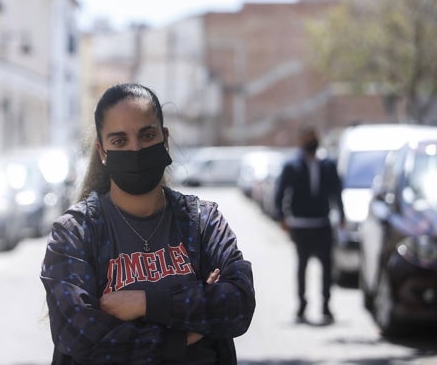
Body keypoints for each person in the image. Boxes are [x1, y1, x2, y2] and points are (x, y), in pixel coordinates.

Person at [40, 83, 255, 364]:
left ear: (164, 139)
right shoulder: (75, 232)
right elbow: (79, 334)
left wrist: (144, 303)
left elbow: (237, 303)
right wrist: (186, 333)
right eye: (119, 141)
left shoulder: (202, 221)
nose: (136, 149)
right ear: (102, 151)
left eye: (147, 135)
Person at [274, 125, 345, 325]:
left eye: (313, 137)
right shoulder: (292, 165)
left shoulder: (327, 164)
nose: (311, 142)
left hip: (322, 222)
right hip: (300, 224)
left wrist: (341, 214)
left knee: (326, 266)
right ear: (301, 141)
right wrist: (281, 217)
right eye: (307, 138)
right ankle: (302, 305)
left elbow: (335, 191)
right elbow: (281, 192)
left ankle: (326, 305)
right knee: (302, 265)